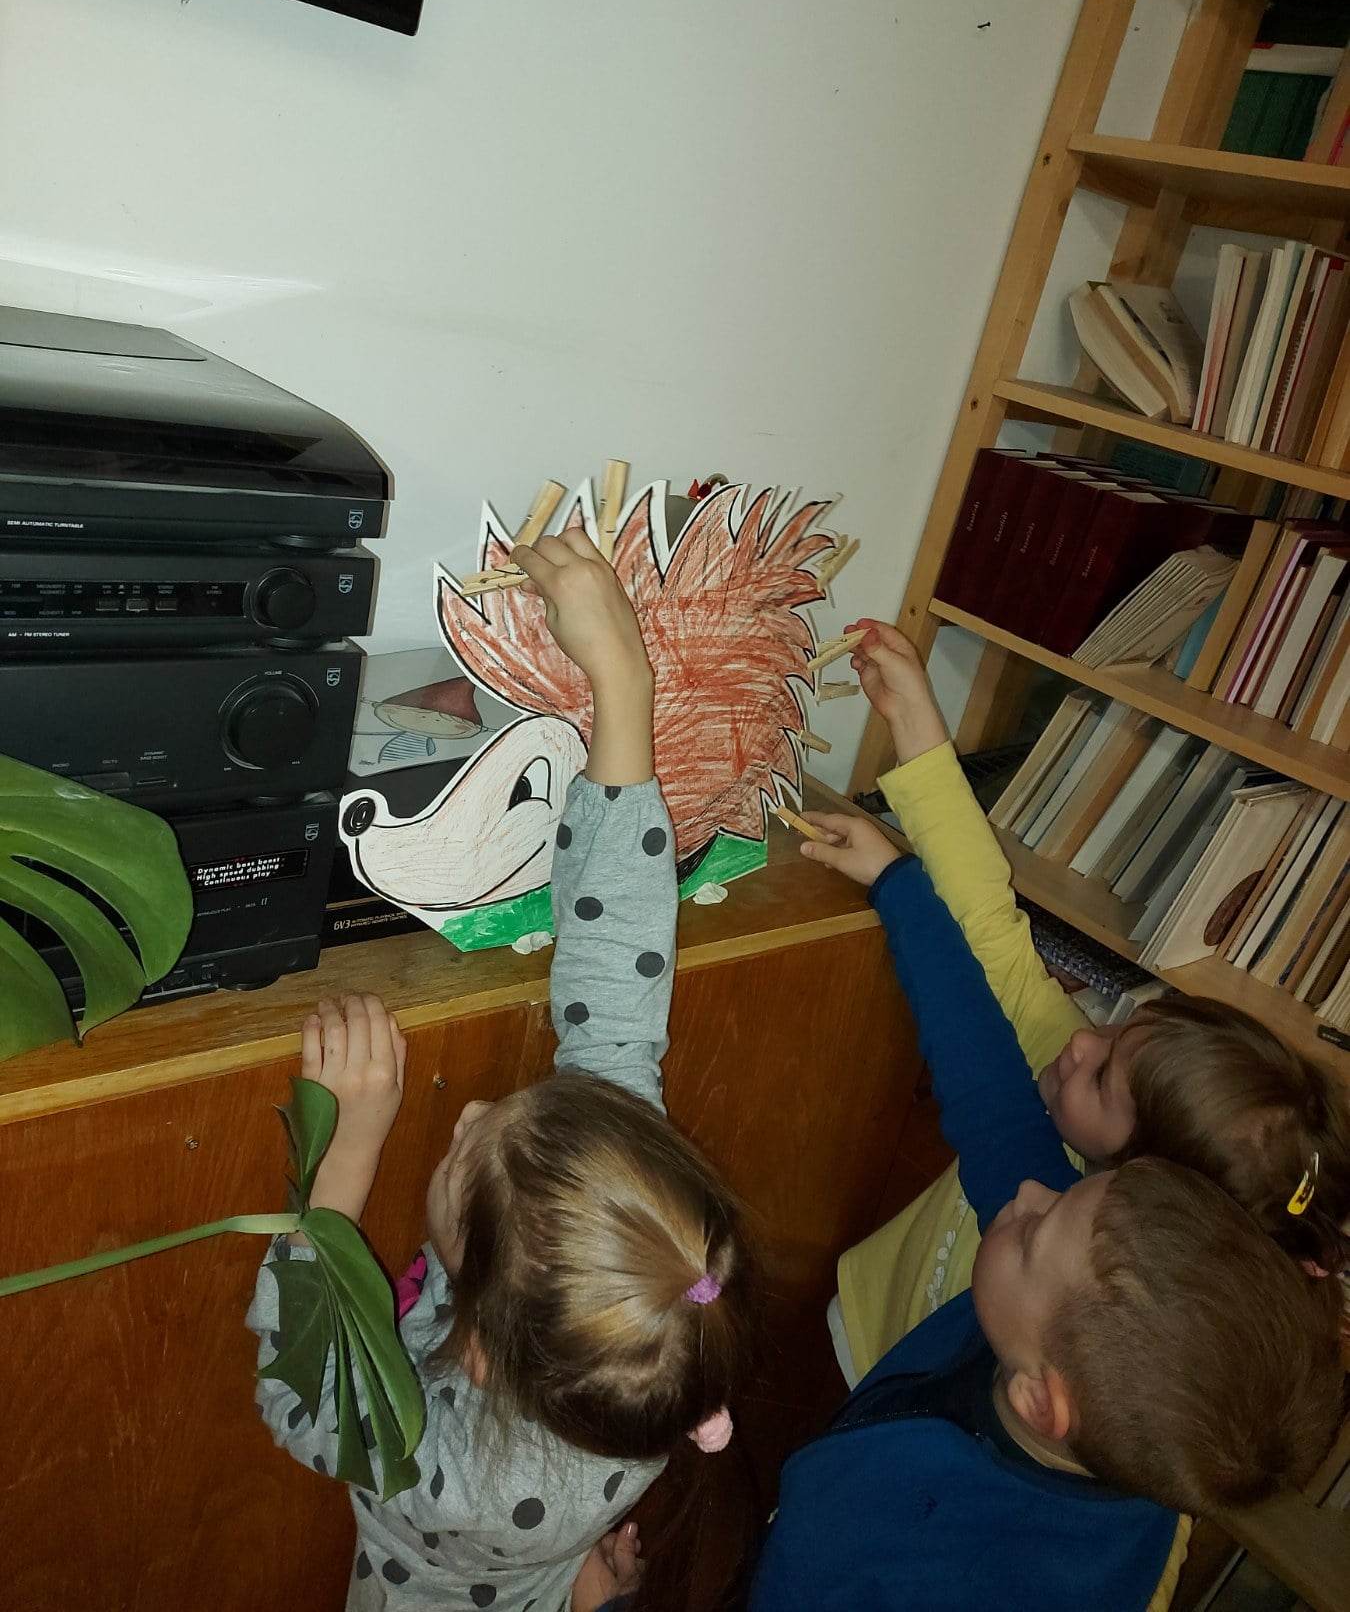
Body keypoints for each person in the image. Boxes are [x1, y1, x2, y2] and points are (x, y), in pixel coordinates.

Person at [246, 528, 753, 1612]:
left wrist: (345, 1151)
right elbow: (618, 991)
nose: (474, 1107)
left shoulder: (437, 1474)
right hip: (557, 1550)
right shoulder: (652, 1357)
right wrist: (621, 680)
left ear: (472, 1351)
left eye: (463, 1147)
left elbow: (307, 1392)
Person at [746, 828, 1344, 1611]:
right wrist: (898, 882)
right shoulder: (1098, 1332)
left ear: (1040, 1400)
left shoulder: (876, 1521)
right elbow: (988, 1082)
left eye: (1035, 1228)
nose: (1028, 1194)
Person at [814, 620, 1350, 1390]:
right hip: (867, 1312)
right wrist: (918, 727)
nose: (1081, 1041)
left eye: (1103, 1079)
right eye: (1117, 1029)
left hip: (908, 1382)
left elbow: (978, 1058)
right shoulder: (1067, 1068)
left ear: (1141, 1190)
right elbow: (993, 931)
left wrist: (899, 883)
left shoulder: (1080, 1268)